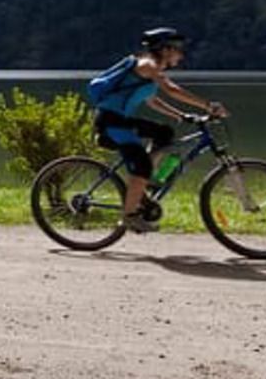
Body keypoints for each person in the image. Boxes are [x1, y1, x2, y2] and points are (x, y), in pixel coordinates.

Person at [88, 27, 226, 233]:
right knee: (141, 165)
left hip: (121, 119)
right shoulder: (147, 65)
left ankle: (143, 182)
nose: (181, 54)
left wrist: (180, 115)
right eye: (177, 49)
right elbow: (171, 89)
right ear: (164, 49)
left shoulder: (149, 70)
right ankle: (129, 216)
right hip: (111, 122)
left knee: (164, 133)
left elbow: (152, 100)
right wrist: (208, 105)